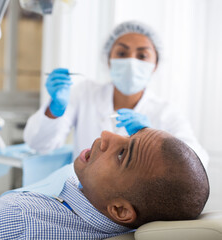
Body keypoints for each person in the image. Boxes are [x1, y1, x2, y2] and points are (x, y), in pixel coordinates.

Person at [0, 128, 209, 239]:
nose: (108, 135)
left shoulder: (17, 219)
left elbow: (10, 222)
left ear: (122, 209)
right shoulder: (122, 215)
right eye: (129, 135)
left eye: (124, 154)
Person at [24, 21, 209, 169]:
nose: (131, 61)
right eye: (121, 53)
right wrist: (55, 109)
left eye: (142, 56)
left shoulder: (165, 112)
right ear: (108, 60)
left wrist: (153, 138)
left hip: (137, 207)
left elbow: (198, 161)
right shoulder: (85, 93)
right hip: (82, 196)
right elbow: (38, 144)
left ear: (156, 65)